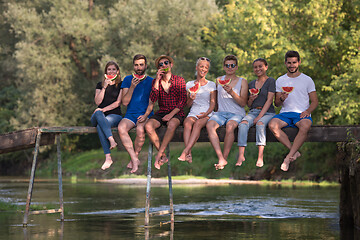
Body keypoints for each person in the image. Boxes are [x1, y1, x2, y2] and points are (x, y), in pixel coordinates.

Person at [268, 51, 318, 171]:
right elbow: (277, 103)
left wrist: (307, 111)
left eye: (294, 62)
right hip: (285, 113)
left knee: (305, 126)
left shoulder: (307, 80)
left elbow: (315, 102)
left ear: (299, 62)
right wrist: (281, 98)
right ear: (285, 63)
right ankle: (293, 152)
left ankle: (288, 158)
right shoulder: (280, 80)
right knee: (272, 125)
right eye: (289, 63)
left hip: (301, 113)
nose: (292, 65)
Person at [142, 55, 187, 169]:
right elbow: (153, 98)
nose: (164, 66)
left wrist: (171, 115)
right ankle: (162, 154)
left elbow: (182, 101)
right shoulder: (155, 82)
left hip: (176, 113)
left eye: (166, 63)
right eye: (160, 65)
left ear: (171, 65)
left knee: (171, 124)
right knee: (148, 126)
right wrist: (157, 80)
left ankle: (158, 155)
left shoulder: (179, 80)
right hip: (162, 112)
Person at [206, 55, 248, 170]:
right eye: (227, 65)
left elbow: (243, 103)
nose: (230, 67)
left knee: (230, 127)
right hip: (220, 113)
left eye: (232, 65)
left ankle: (224, 158)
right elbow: (215, 101)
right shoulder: (218, 80)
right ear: (224, 67)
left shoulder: (242, 81)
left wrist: (232, 93)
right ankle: (220, 157)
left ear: (236, 67)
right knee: (210, 125)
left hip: (237, 113)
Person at [118, 54, 154, 173]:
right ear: (133, 66)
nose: (138, 67)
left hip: (146, 114)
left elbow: (151, 102)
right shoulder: (128, 80)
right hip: (130, 114)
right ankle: (134, 158)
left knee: (140, 129)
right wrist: (132, 87)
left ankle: (136, 156)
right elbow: (124, 102)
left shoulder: (151, 81)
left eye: (141, 65)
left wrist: (145, 116)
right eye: (136, 65)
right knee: (121, 128)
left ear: (146, 66)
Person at [237, 58, 276, 168]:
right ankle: (241, 155)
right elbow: (248, 105)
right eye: (255, 67)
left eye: (260, 66)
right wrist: (251, 99)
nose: (258, 69)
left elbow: (269, 101)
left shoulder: (271, 81)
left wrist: (259, 117)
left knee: (260, 124)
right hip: (253, 111)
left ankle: (260, 156)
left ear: (266, 67)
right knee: (243, 124)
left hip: (268, 113)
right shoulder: (251, 84)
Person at [178, 57, 216, 163]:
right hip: (194, 111)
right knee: (187, 123)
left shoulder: (211, 84)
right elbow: (187, 105)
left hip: (207, 112)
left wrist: (206, 114)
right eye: (201, 66)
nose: (204, 69)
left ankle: (185, 151)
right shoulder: (189, 84)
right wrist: (190, 98)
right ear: (196, 67)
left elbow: (213, 104)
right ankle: (189, 154)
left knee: (198, 124)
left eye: (206, 67)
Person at [91, 61, 123, 170]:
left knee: (101, 126)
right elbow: (97, 102)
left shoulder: (121, 85)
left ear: (117, 71)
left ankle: (108, 157)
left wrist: (103, 110)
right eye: (109, 69)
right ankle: (112, 140)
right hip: (99, 115)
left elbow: (118, 103)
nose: (111, 71)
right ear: (106, 71)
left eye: (114, 69)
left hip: (115, 115)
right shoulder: (100, 85)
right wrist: (104, 87)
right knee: (99, 114)